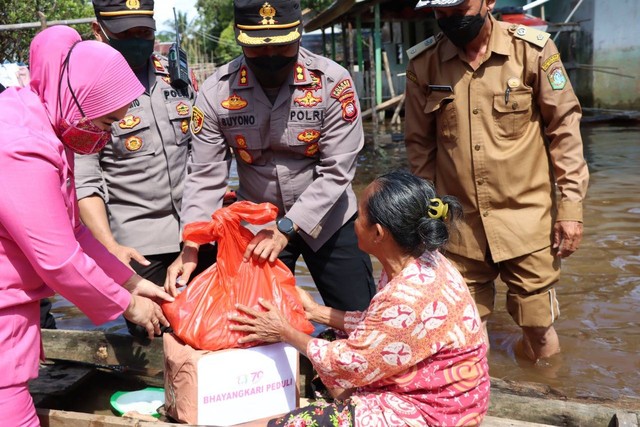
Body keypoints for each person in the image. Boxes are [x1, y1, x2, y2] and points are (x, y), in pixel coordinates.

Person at [0, 25, 174, 426]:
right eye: (107, 122)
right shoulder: (22, 146)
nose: (109, 136)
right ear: (79, 99)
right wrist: (130, 306)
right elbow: (59, 259)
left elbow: (74, 230)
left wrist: (135, 282)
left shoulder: (52, 124)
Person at [404, 0, 589, 361]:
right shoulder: (424, 63)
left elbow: (564, 129)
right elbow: (419, 147)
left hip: (528, 221)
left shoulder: (533, 51)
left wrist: (570, 207)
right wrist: (425, 219)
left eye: (460, 10)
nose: (450, 21)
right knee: (466, 332)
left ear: (488, 2)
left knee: (538, 329)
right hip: (458, 225)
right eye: (441, 14)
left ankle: (551, 401)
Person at [230, 170, 490, 426]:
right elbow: (379, 327)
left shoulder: (407, 297)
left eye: (360, 214)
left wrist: (284, 331)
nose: (353, 222)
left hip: (435, 413)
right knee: (328, 337)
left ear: (378, 233)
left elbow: (348, 363)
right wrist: (314, 312)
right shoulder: (424, 259)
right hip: (454, 396)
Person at [166, 0, 376, 312]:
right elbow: (204, 175)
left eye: (282, 46)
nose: (271, 56)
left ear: (299, 33)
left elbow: (337, 171)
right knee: (254, 320)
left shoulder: (332, 83)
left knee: (359, 318)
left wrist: (288, 227)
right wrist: (192, 243)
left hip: (330, 221)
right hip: (259, 225)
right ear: (239, 35)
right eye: (258, 48)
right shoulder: (216, 93)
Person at [74, 0, 215, 338]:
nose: (138, 39)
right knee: (157, 345)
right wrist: (110, 249)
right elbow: (85, 181)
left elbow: (203, 155)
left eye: (145, 31)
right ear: (99, 31)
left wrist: (199, 234)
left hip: (195, 237)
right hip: (138, 249)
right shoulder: (86, 89)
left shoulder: (176, 76)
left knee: (212, 334)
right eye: (127, 33)